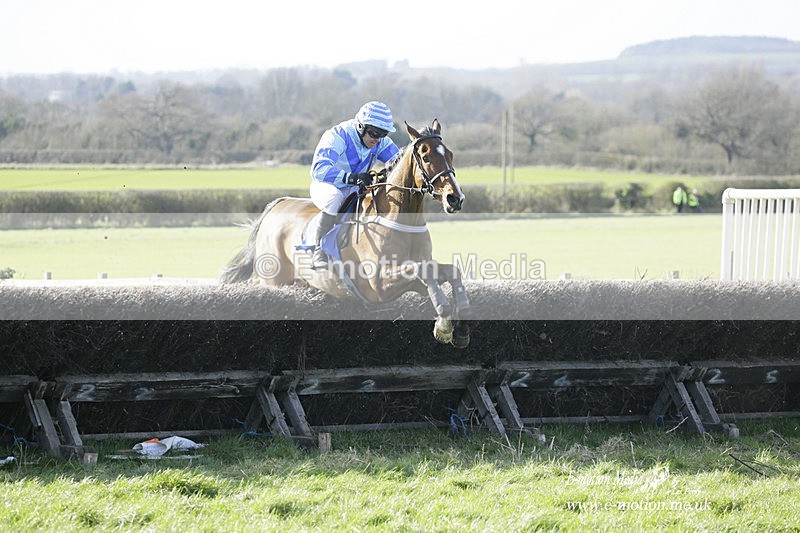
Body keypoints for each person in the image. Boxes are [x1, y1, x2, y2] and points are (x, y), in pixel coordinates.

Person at [309, 101, 400, 269]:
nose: (377, 139)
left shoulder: (380, 141)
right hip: (326, 185)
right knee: (334, 198)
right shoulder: (337, 136)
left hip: (355, 187)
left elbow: (400, 163)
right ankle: (319, 251)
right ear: (360, 126)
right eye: (374, 133)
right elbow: (319, 170)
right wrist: (352, 178)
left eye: (383, 134)